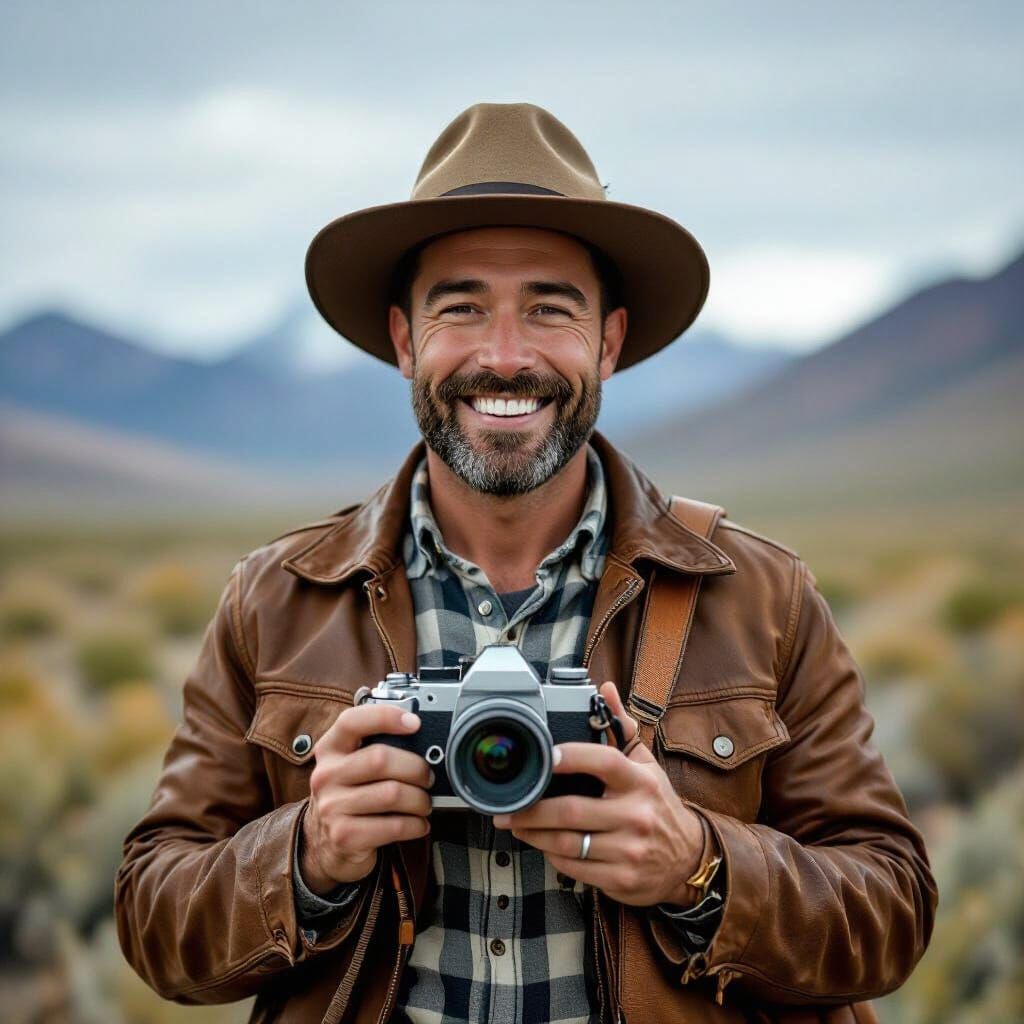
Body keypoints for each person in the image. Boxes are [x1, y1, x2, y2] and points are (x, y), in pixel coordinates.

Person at [115, 103, 936, 1024]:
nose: (504, 357)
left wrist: (697, 863)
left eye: (550, 308)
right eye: (461, 307)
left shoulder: (760, 598)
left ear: (608, 344)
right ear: (404, 341)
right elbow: (155, 918)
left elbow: (893, 910)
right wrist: (306, 851)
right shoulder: (276, 602)